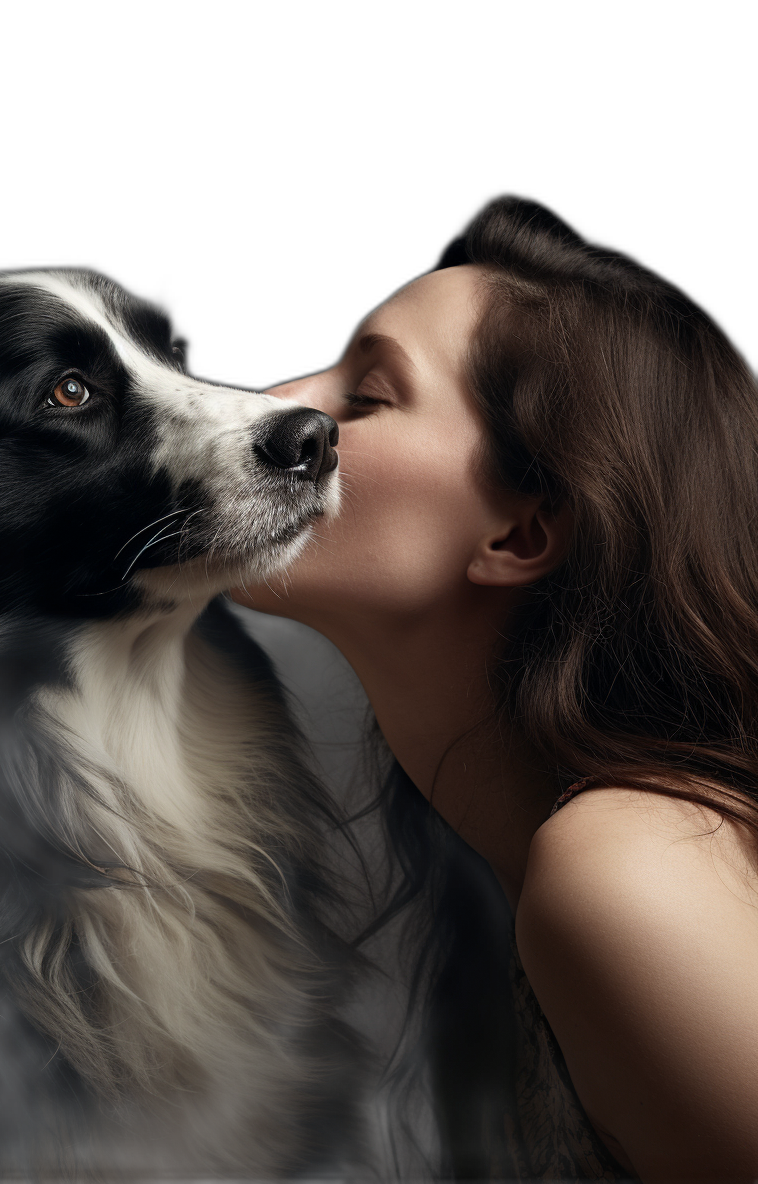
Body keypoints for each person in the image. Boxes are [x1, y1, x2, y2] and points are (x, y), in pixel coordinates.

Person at [230, 196, 758, 1184]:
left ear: (519, 534)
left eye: (369, 394)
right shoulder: (534, 863)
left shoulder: (621, 874)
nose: (271, 398)